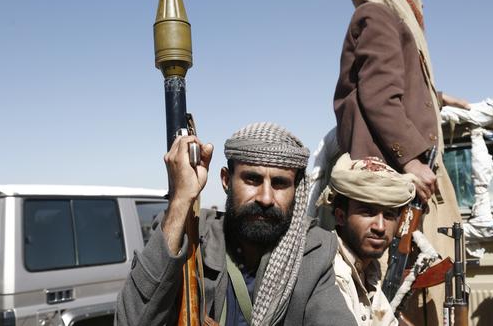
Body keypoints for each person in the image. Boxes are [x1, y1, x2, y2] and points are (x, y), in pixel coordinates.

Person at [115, 122, 357, 325]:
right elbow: (130, 320)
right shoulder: (191, 236)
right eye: (252, 179)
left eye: (280, 184)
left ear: (295, 190)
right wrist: (180, 200)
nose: (265, 198)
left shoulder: (312, 251)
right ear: (226, 180)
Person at [332, 0, 468, 322]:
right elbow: (378, 94)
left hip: (402, 181)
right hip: (392, 182)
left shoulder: (384, 21)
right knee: (389, 296)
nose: (419, 6)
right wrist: (410, 161)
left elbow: (399, 86)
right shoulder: (379, 17)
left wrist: (439, 98)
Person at [318, 153, 417, 325]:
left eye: (388, 215)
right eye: (367, 212)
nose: (380, 226)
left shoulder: (369, 269)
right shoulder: (329, 270)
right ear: (341, 216)